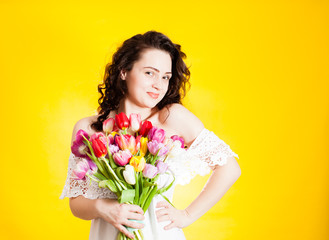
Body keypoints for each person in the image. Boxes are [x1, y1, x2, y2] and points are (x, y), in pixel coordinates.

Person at [60, 30, 241, 240]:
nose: (159, 84)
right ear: (123, 71)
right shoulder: (89, 129)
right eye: (149, 73)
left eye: (165, 77)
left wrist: (186, 216)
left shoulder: (172, 118)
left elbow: (230, 168)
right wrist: (104, 208)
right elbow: (76, 203)